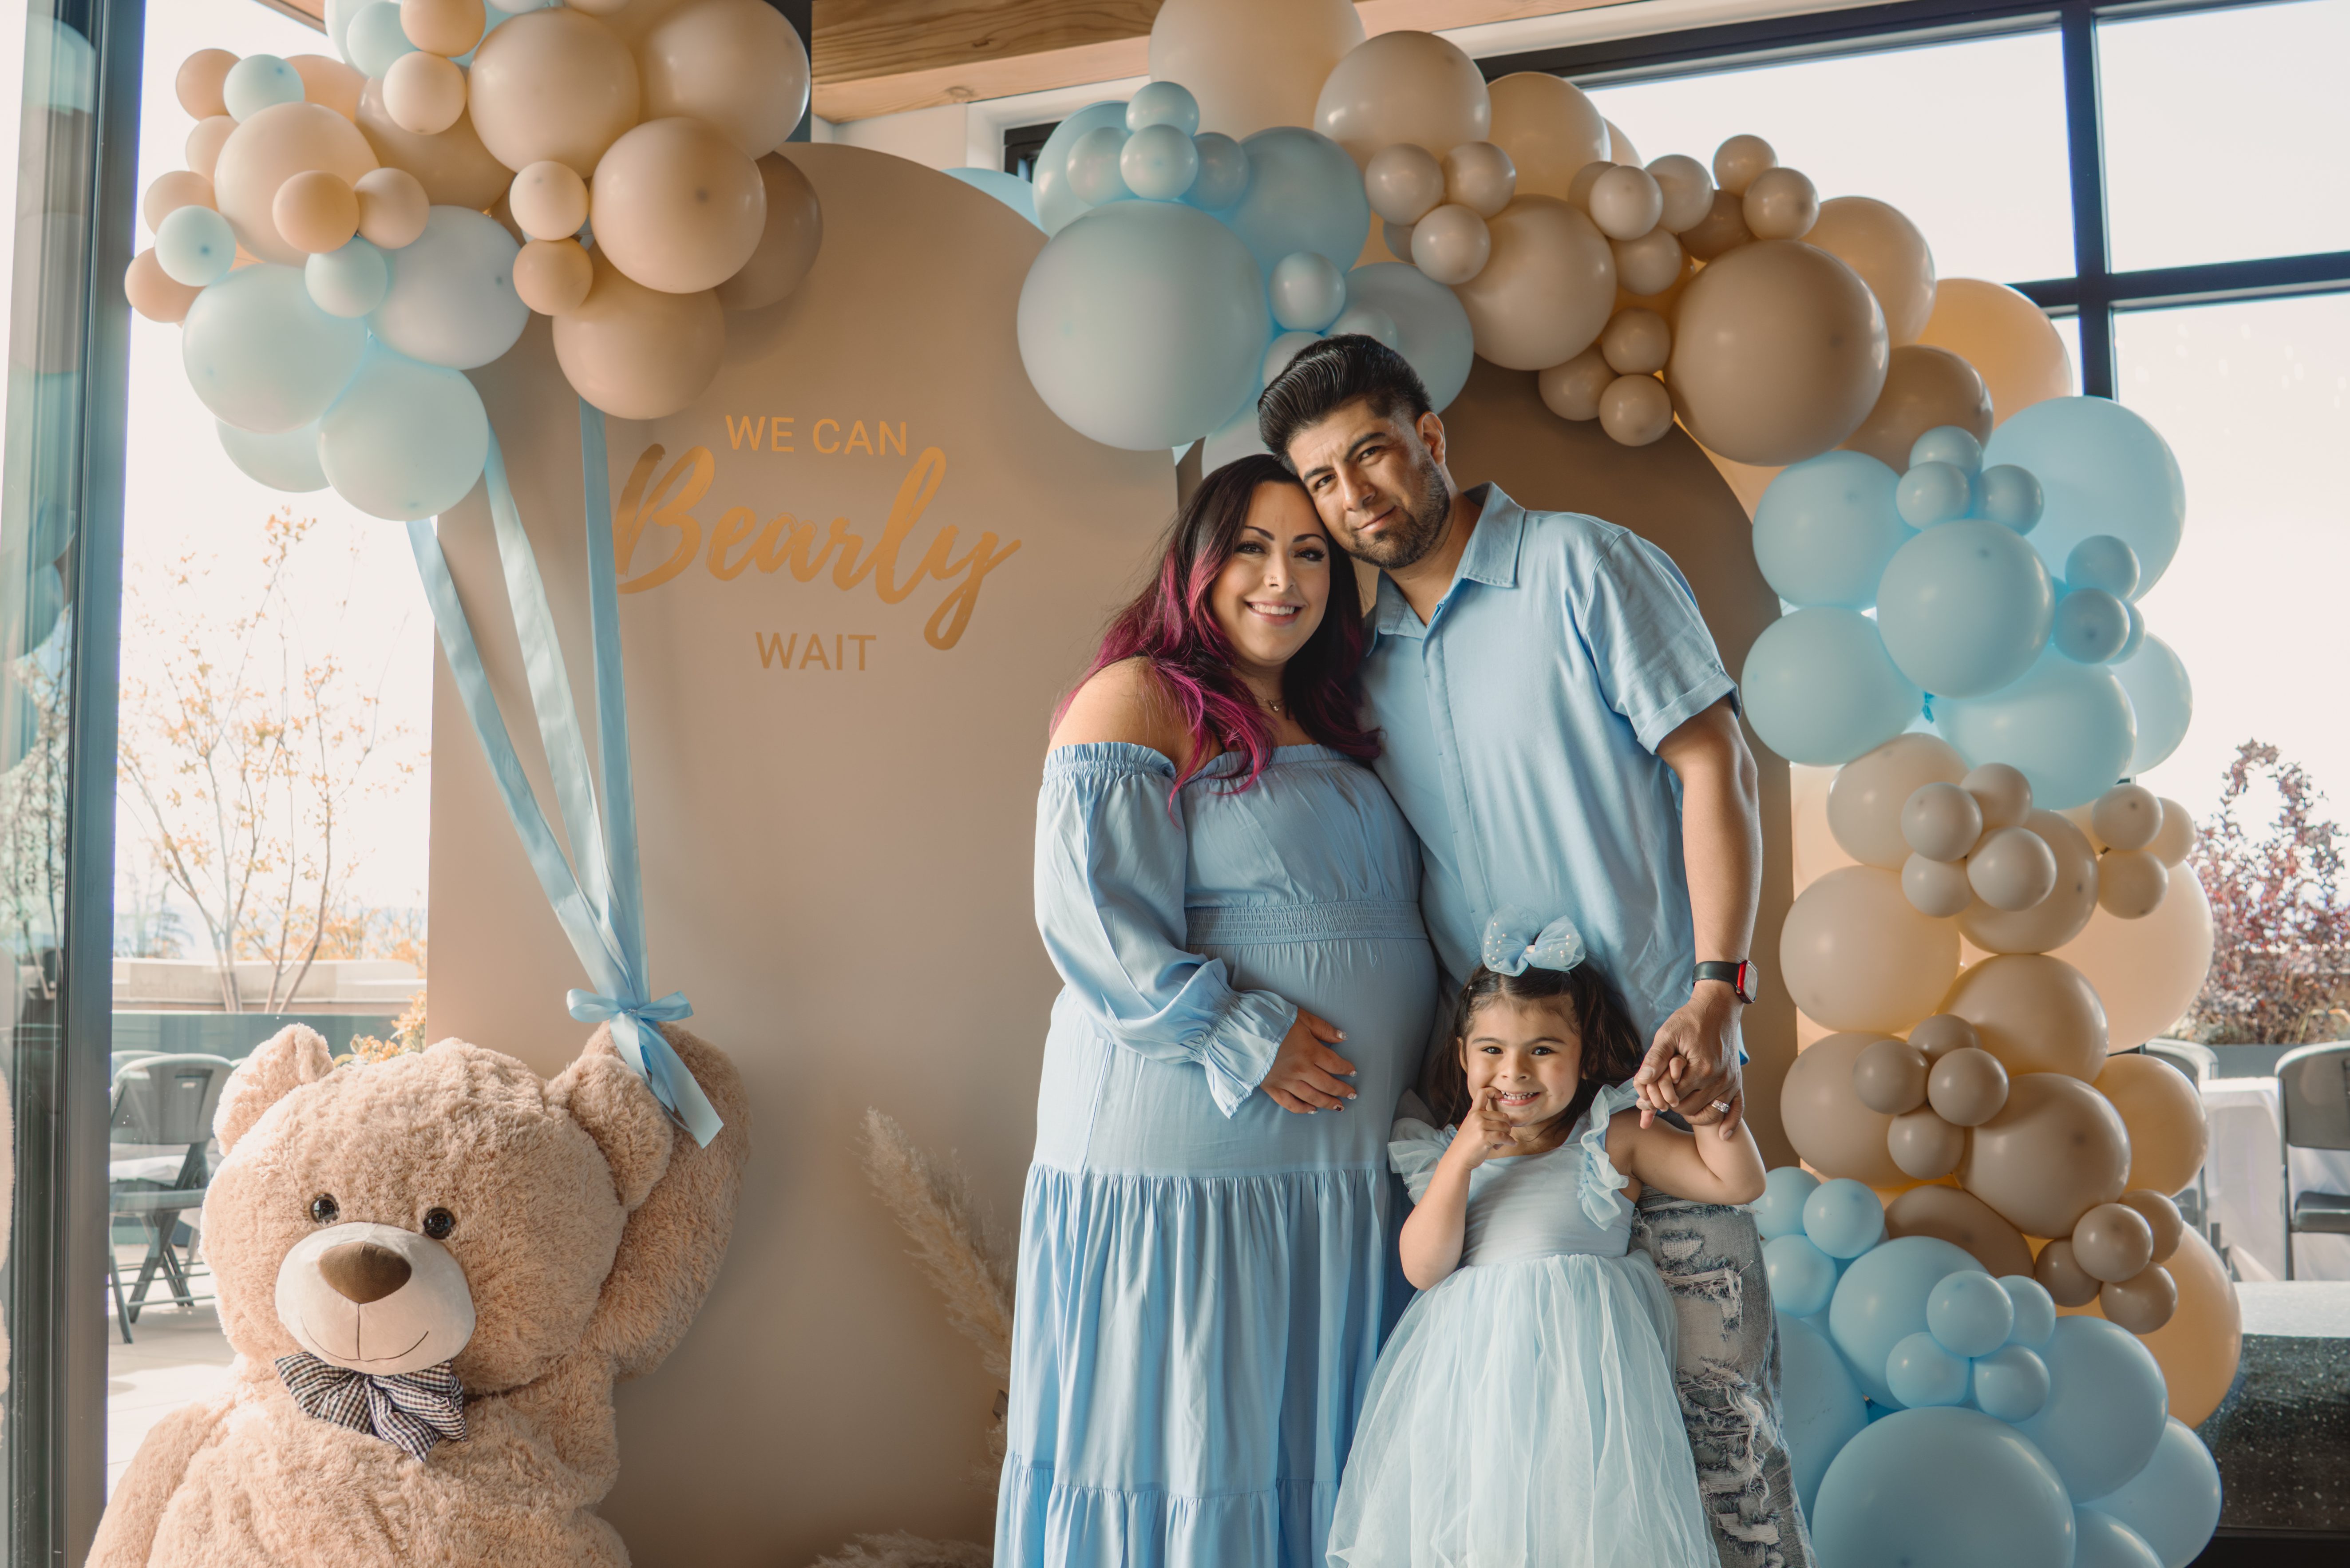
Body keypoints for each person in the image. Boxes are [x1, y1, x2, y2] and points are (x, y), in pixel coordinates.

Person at [1260, 336, 1812, 1568]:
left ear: (1429, 437)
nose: (1354, 497)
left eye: (1369, 454)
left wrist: (1717, 989)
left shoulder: (1584, 565)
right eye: (1322, 483)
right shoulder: (1352, 664)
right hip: (1509, 1104)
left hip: (1662, 1074)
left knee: (1721, 1440)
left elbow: (1713, 761)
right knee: (1536, 1482)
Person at [997, 454, 1440, 1567]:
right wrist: (1241, 1031)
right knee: (1195, 1448)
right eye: (1250, 546)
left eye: (1309, 553)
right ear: (1196, 560)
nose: (1280, 579)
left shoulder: (1334, 711)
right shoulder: (1138, 696)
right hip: (1199, 1161)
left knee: (1309, 1450)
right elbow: (1091, 921)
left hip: (1336, 1175)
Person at [1328, 913, 1766, 1568]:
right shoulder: (1443, 1153)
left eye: (1541, 1050)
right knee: (1488, 1531)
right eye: (1492, 1051)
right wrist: (1462, 1161)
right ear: (1461, 1056)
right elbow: (1423, 1268)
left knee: (1583, 1533)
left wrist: (1711, 1117)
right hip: (1475, 1392)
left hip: (1588, 1396)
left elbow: (1734, 1184)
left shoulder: (1609, 1135)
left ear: (1583, 1055)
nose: (1514, 1072)